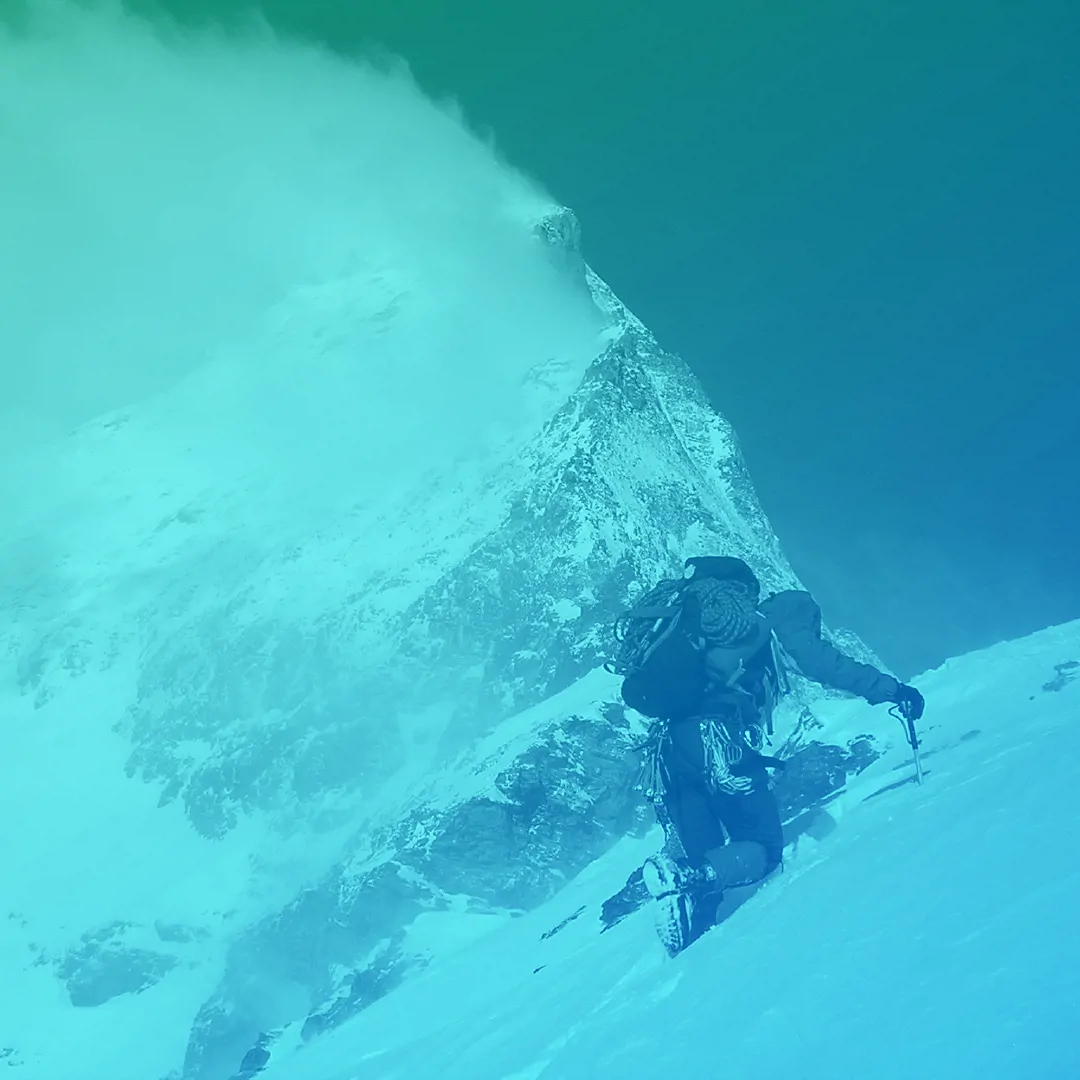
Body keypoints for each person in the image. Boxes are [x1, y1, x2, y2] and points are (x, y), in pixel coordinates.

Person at [609, 555, 925, 956]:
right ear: (745, 589)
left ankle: (690, 948)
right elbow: (823, 664)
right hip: (714, 742)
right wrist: (893, 690)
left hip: (667, 754)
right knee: (762, 847)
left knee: (709, 863)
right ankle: (684, 878)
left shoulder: (683, 632)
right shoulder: (761, 621)